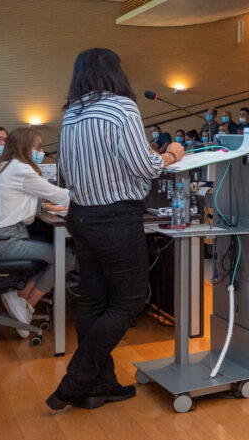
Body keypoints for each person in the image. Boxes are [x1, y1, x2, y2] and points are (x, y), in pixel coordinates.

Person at [50, 48, 186, 411]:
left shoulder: (71, 114)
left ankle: (100, 385)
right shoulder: (121, 107)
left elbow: (67, 169)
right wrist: (172, 154)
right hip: (114, 219)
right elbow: (146, 166)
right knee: (128, 302)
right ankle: (75, 381)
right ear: (116, 72)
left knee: (94, 300)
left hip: (82, 216)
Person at [0, 127, 73, 337]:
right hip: (5, 241)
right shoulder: (21, 170)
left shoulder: (5, 167)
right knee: (66, 258)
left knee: (51, 252)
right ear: (25, 148)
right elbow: (62, 196)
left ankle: (21, 297)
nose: (40, 151)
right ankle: (25, 307)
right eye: (37, 147)